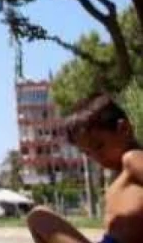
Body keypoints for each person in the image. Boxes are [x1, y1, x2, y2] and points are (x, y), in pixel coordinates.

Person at [26, 93, 142, 243]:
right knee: (38, 217)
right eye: (87, 153)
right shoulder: (119, 175)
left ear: (124, 129)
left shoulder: (132, 158)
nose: (96, 157)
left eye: (99, 146)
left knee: (39, 218)